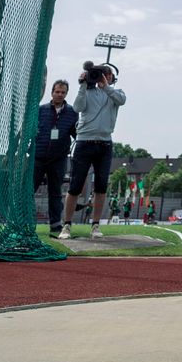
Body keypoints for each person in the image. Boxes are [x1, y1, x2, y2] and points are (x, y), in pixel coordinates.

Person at [58, 61, 126, 241]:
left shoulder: (115, 93)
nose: (104, 77)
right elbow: (77, 108)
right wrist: (82, 85)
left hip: (104, 144)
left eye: (107, 74)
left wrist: (106, 87)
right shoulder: (87, 92)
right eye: (101, 74)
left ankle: (95, 225)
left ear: (112, 77)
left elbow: (122, 101)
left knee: (101, 186)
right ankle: (67, 225)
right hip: (84, 143)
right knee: (75, 186)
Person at [35, 80, 78, 226]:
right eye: (57, 92)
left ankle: (55, 223)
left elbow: (76, 134)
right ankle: (25, 221)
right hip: (38, 156)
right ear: (52, 92)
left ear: (66, 94)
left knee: (55, 192)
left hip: (59, 158)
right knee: (29, 189)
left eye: (63, 92)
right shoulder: (41, 110)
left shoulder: (72, 113)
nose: (59, 95)